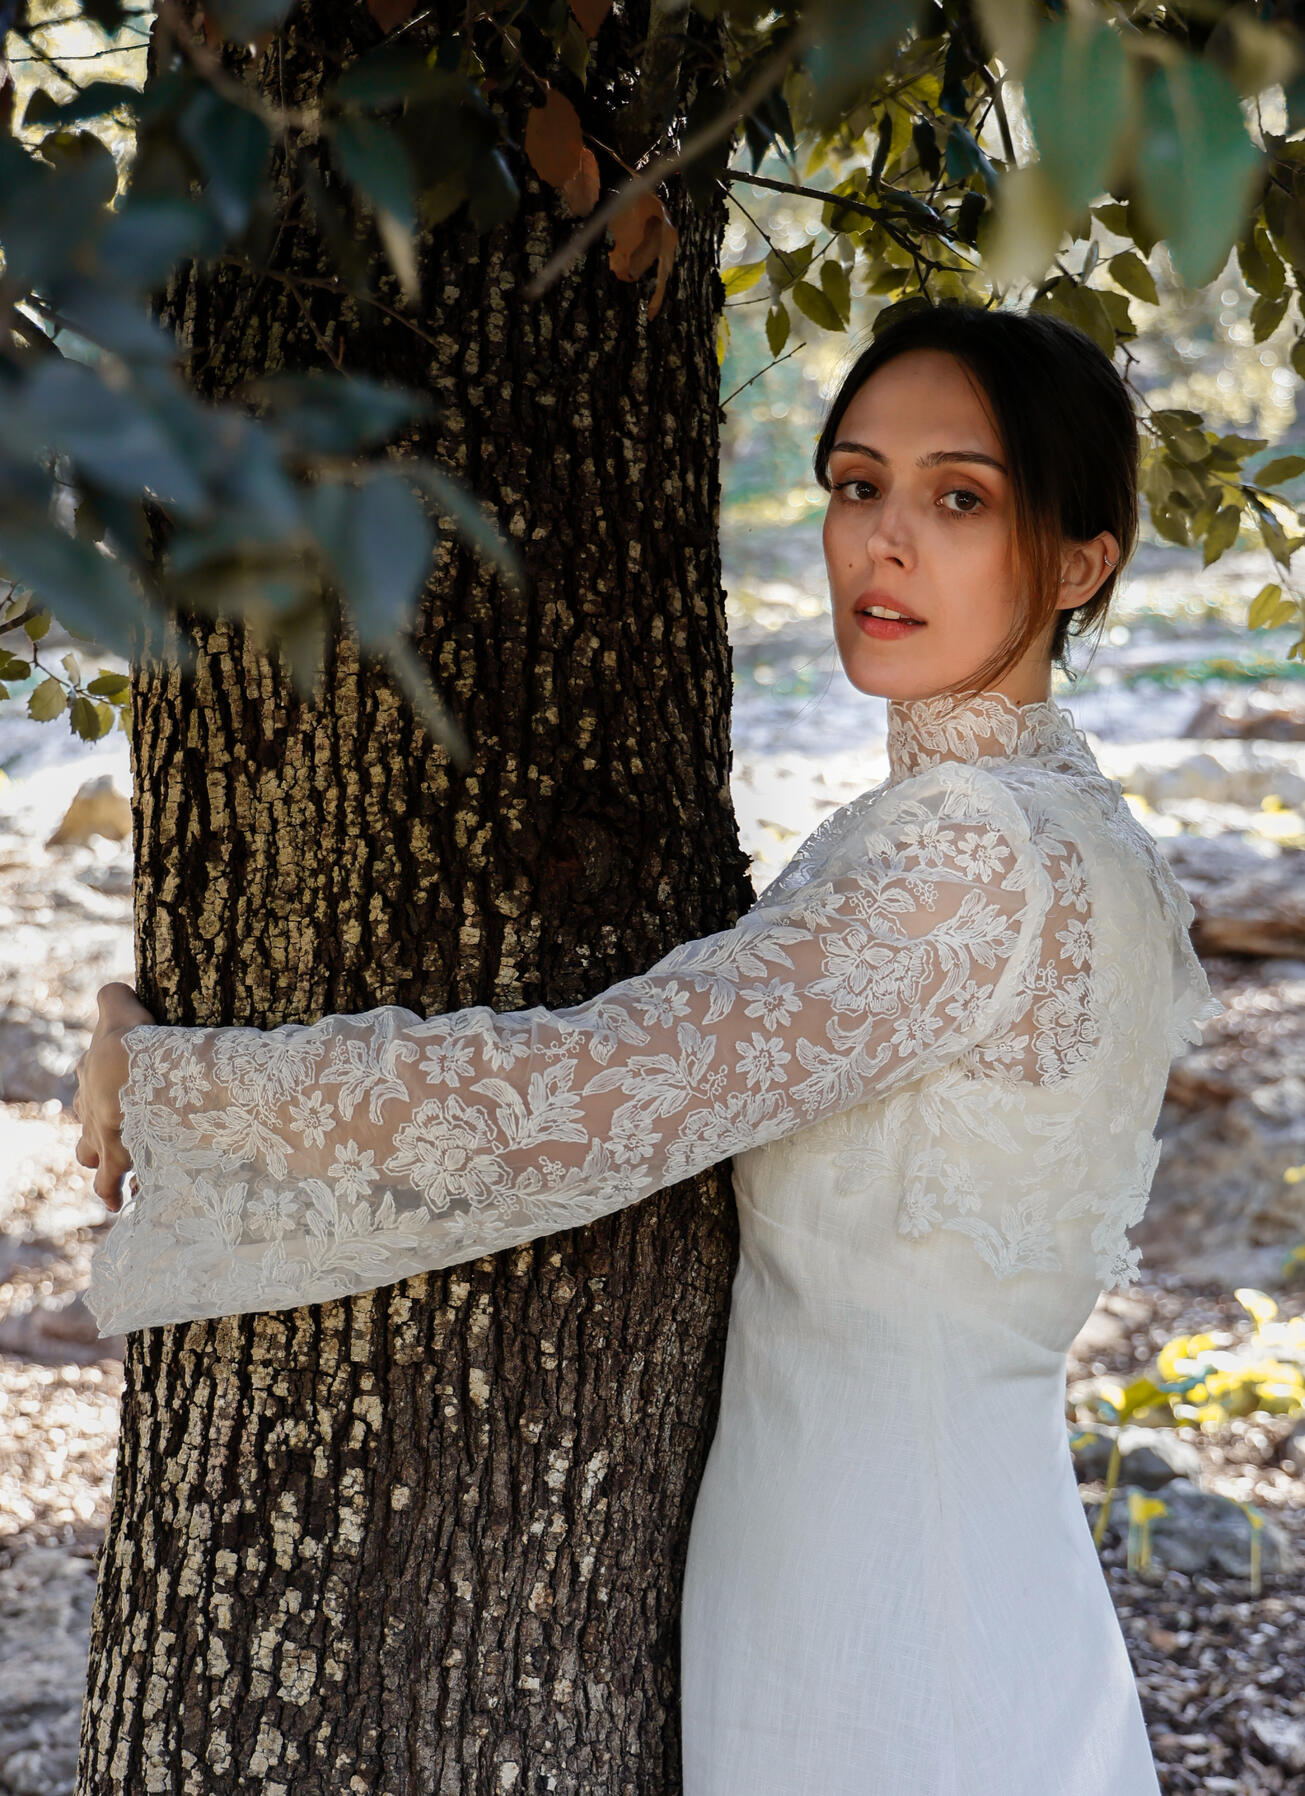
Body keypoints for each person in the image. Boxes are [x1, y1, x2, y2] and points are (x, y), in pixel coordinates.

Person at [73, 301, 1221, 1795]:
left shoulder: (965, 855)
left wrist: (170, 1084)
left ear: (1078, 563)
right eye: (856, 483)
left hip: (880, 1622)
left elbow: (582, 1095)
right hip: (978, 1581)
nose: (883, 541)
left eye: (960, 499)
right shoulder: (1093, 844)